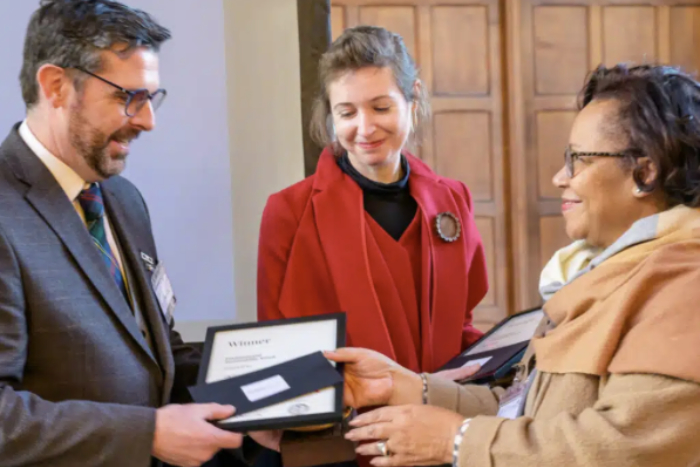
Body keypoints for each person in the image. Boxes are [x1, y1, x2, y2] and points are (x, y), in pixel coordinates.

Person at [324, 64, 700, 467]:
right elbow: (525, 411)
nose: (560, 177)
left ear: (644, 173)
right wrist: (411, 388)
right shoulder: (601, 271)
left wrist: (455, 441)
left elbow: (625, 447)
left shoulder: (684, 284)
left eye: (579, 160)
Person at [0, 1, 275, 466]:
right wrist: (145, 434)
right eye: (128, 98)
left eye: (152, 98)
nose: (148, 120)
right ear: (56, 86)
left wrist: (268, 389)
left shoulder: (123, 199)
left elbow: (157, 353)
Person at [257, 25, 488, 377]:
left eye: (380, 108)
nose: (365, 128)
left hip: (438, 417)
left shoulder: (454, 199)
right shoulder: (289, 212)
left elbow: (461, 326)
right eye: (347, 114)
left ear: (413, 98)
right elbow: (278, 348)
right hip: (343, 425)